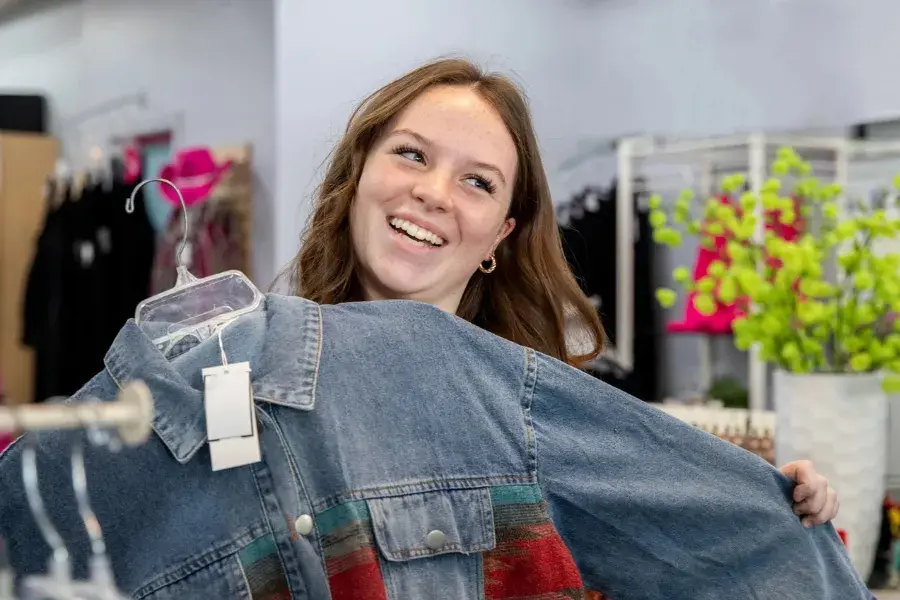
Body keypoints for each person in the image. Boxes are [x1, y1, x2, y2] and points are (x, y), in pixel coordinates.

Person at [284, 57, 838, 527]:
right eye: (412, 154)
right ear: (357, 174)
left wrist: (760, 498)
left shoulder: (540, 420)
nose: (433, 193)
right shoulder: (247, 376)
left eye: (478, 182)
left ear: (499, 234)